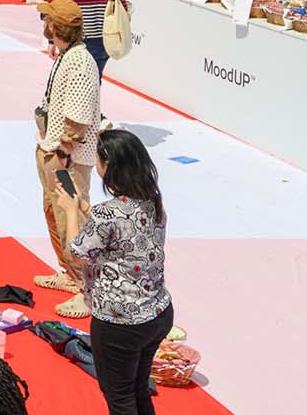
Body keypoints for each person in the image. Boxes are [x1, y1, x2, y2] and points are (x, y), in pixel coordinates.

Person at [60, 129, 174, 415]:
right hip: (158, 312)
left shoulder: (106, 214)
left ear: (108, 166)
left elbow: (75, 253)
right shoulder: (153, 202)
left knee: (120, 398)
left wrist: (71, 211)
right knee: (137, 390)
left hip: (119, 322)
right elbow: (120, 238)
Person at [32, 0, 101, 319]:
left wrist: (61, 152)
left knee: (72, 218)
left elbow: (78, 118)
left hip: (65, 158)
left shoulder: (79, 63)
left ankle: (85, 287)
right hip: (54, 150)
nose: (42, 25)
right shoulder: (68, 57)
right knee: (55, 213)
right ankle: (69, 274)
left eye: (46, 20)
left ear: (56, 27)